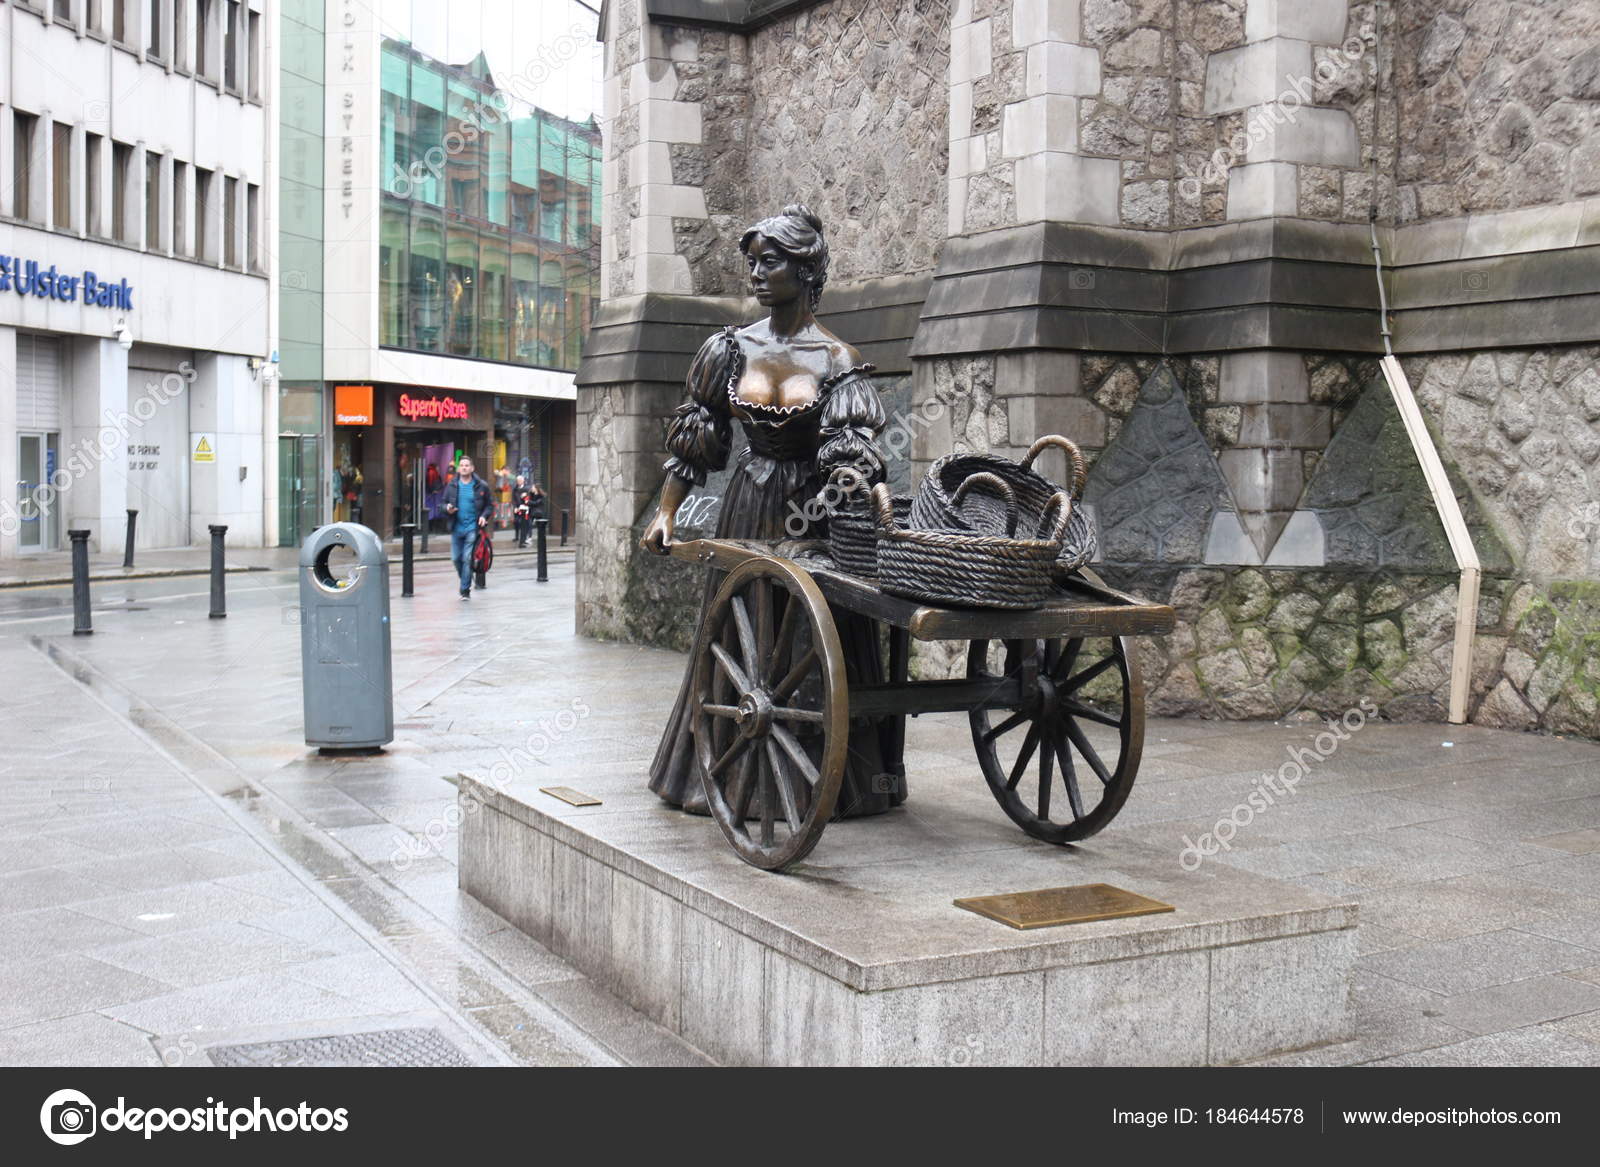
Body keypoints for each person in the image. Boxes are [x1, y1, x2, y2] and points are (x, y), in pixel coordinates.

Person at [637, 204, 898, 818]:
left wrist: (848, 480)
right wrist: (667, 512)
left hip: (814, 512)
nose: (756, 273)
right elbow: (695, 438)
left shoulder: (837, 360)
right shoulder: (729, 349)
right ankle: (722, 773)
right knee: (740, 632)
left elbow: (853, 455)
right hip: (747, 504)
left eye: (771, 262)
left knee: (810, 632)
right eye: (752, 262)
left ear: (806, 271)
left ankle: (822, 781)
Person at [445, 455, 493, 599]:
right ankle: (466, 579)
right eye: (462, 465)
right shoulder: (452, 485)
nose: (464, 468)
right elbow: (442, 503)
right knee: (455, 558)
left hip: (473, 528)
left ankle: (465, 590)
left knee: (467, 558)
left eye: (467, 465)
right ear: (458, 469)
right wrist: (447, 508)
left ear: (472, 468)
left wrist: (484, 516)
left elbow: (489, 505)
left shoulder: (481, 485)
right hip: (456, 528)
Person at [512, 475, 533, 547]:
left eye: (520, 480)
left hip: (525, 509)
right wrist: (515, 507)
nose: (519, 482)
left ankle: (527, 537)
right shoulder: (515, 489)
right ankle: (517, 536)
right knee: (516, 522)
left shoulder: (527, 488)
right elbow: (513, 499)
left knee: (526, 523)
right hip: (517, 508)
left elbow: (529, 498)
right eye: (518, 481)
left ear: (523, 480)